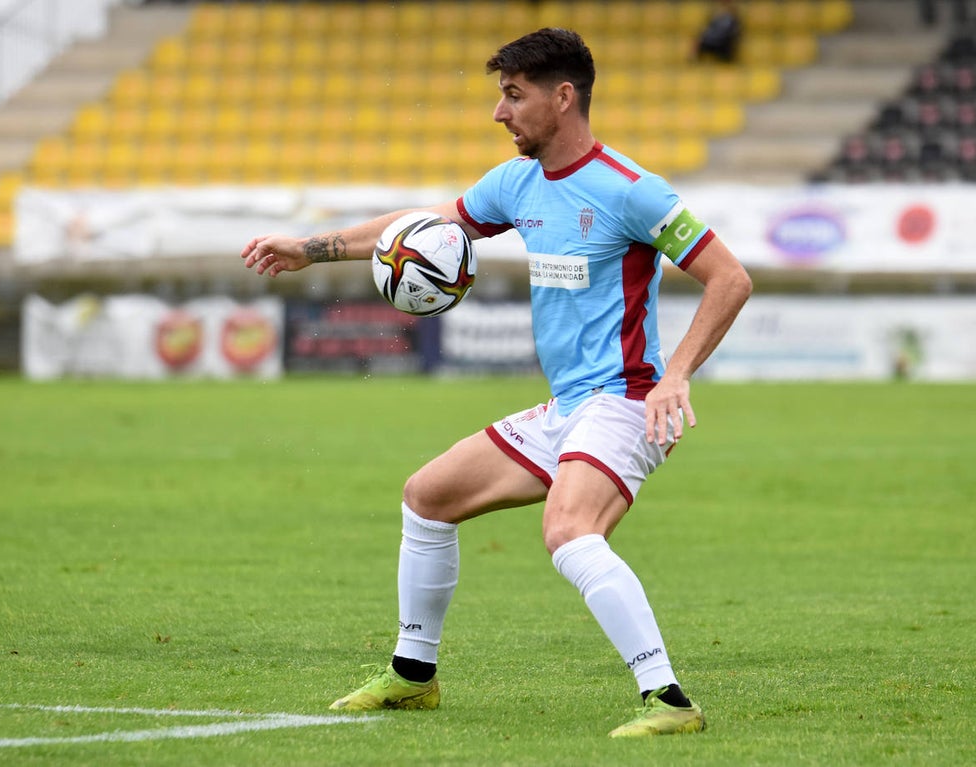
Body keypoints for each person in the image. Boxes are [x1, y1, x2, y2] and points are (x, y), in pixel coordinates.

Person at [241, 27, 752, 738]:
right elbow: (423, 226)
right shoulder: (516, 183)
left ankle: (668, 700)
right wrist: (312, 249)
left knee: (569, 530)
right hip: (568, 408)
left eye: (513, 95)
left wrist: (678, 376)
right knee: (427, 497)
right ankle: (413, 676)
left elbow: (731, 277)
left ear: (563, 97)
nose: (499, 112)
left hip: (626, 402)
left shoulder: (632, 191)